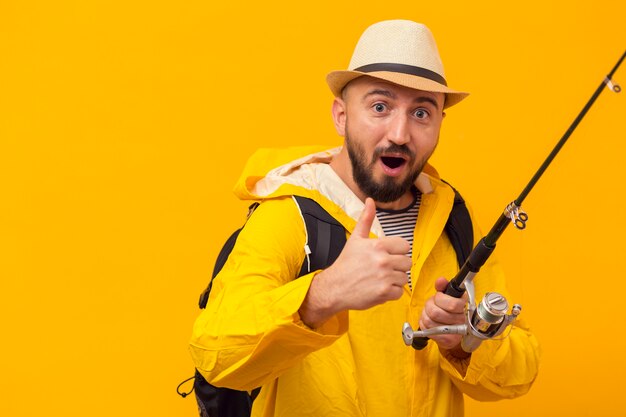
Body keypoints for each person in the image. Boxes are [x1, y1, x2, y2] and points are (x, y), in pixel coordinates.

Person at [190, 19, 540, 417]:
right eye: (380, 106)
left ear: (441, 122)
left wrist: (464, 341)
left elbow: (521, 371)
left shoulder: (453, 219)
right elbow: (214, 356)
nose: (400, 133)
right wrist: (320, 296)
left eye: (422, 112)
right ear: (341, 116)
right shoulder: (288, 216)